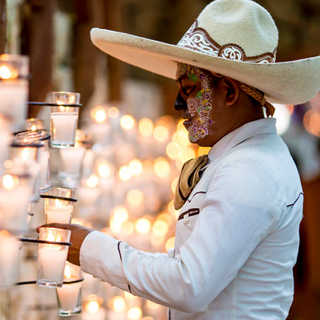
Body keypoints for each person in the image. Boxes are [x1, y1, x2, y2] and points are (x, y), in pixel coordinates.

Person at [41, 0, 320, 319]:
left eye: (188, 89)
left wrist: (90, 248)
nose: (177, 103)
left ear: (229, 92)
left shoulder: (250, 168)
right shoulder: (246, 158)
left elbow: (189, 285)